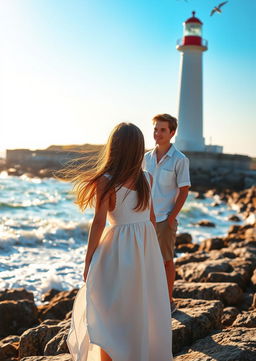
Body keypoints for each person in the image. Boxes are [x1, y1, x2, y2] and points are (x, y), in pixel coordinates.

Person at [66, 123, 172, 361]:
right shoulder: (148, 178)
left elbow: (99, 223)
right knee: (138, 308)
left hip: (116, 251)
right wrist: (149, 253)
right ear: (137, 150)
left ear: (114, 148)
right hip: (144, 250)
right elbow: (151, 219)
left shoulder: (107, 180)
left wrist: (88, 260)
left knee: (110, 312)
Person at [144, 114, 191, 314]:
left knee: (165, 260)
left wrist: (171, 217)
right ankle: (149, 299)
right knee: (145, 260)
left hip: (164, 218)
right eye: (156, 129)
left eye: (163, 130)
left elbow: (184, 189)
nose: (158, 133)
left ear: (172, 133)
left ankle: (168, 300)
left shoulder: (180, 160)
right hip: (144, 218)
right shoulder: (146, 158)